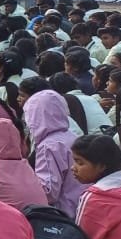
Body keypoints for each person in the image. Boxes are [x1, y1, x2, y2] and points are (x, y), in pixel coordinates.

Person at [22, 89, 86, 217]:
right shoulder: (72, 136)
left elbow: (48, 191)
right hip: (81, 206)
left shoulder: (48, 146)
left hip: (64, 213)